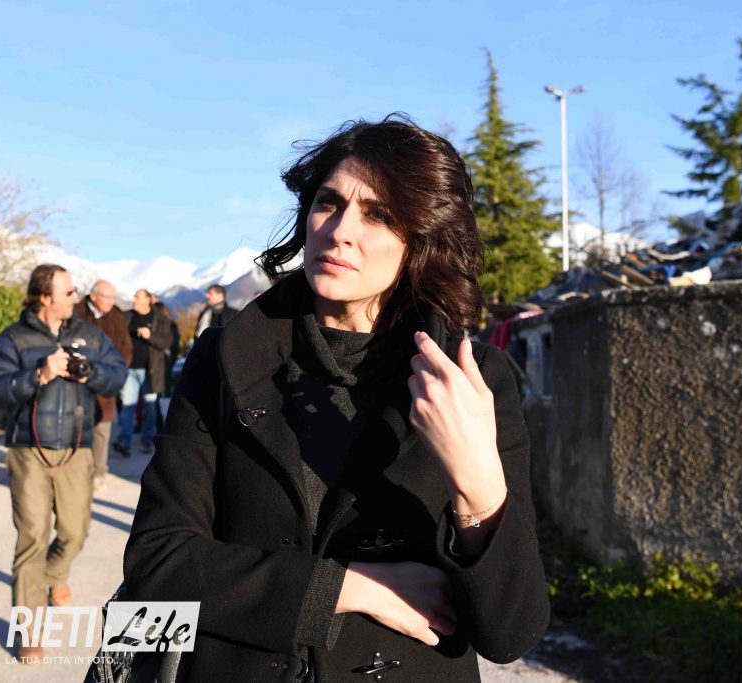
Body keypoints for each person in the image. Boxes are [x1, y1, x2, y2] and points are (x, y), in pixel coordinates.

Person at [123, 117, 550, 681]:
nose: (341, 230)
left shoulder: (472, 380)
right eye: (329, 202)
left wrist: (476, 481)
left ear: (421, 239)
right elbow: (157, 562)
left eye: (379, 214)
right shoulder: (224, 360)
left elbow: (510, 632)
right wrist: (347, 589)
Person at [0, 264, 126, 663]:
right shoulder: (13, 339)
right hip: (28, 450)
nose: (75, 297)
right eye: (67, 292)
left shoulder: (89, 335)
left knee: (75, 532)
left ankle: (54, 576)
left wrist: (90, 373)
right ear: (45, 297)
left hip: (77, 450)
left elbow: (118, 374)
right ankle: (29, 630)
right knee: (32, 537)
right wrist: (39, 375)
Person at [75, 279, 133, 490]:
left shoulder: (117, 317)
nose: (111, 301)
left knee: (102, 429)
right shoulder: (76, 314)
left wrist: (117, 372)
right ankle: (78, 470)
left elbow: (126, 348)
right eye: (106, 297)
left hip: (106, 382)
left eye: (112, 297)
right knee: (78, 428)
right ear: (93, 296)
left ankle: (99, 471)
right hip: (77, 383)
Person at [114, 289, 172, 455]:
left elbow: (166, 343)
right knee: (127, 406)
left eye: (138, 297)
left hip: (151, 371)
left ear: (148, 300)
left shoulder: (160, 319)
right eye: (134, 296)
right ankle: (124, 441)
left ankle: (147, 440)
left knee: (150, 407)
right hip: (129, 369)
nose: (134, 299)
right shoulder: (126, 317)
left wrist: (149, 336)